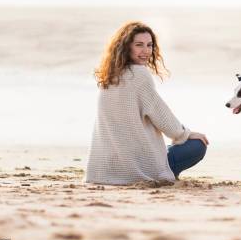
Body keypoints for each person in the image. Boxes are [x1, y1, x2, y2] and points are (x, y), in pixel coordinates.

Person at [86, 21, 208, 185]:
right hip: (136, 169)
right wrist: (185, 134)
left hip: (101, 169)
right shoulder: (140, 75)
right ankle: (164, 172)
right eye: (139, 45)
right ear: (126, 47)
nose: (146, 51)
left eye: (149, 45)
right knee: (197, 146)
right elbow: (163, 118)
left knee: (163, 148)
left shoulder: (108, 76)